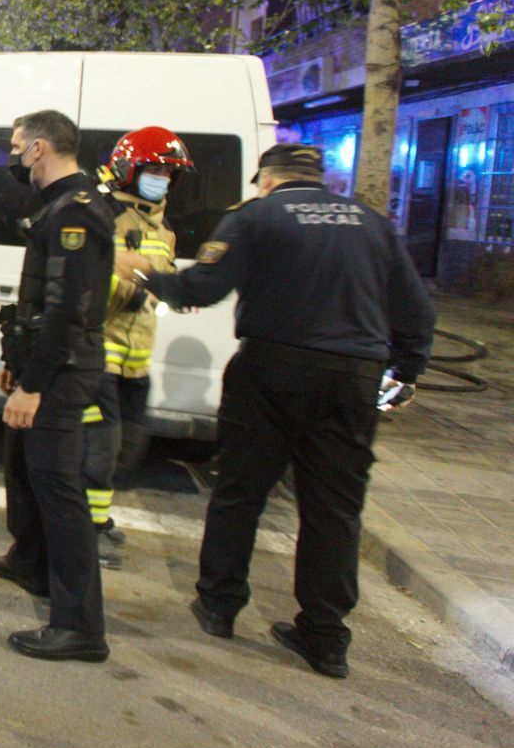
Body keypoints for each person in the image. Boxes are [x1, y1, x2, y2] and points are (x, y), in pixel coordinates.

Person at [117, 142, 435, 678]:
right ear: (319, 178)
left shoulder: (257, 216)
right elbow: (416, 311)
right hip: (352, 378)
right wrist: (405, 371)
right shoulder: (371, 223)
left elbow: (206, 285)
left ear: (266, 179)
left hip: (272, 370)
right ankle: (325, 635)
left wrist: (146, 274)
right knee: (334, 509)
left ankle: (219, 605)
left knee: (241, 490)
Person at [0, 109, 115, 663]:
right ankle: (30, 561)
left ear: (39, 148)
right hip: (43, 363)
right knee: (27, 471)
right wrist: (18, 361)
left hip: (62, 372)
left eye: (16, 147)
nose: (13, 157)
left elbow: (66, 313)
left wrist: (34, 384)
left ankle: (80, 626)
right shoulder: (57, 206)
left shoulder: (75, 212)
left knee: (59, 491)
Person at [84, 127, 192, 569]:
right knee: (100, 450)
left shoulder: (162, 230)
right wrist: (133, 293)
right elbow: (88, 281)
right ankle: (86, 533)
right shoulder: (105, 217)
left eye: (168, 172)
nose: (162, 179)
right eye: (155, 170)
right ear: (130, 170)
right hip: (102, 354)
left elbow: (160, 281)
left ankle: (98, 517)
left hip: (136, 362)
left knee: (126, 451)